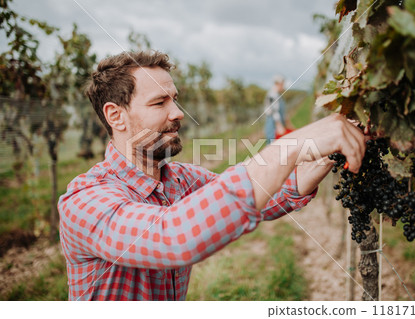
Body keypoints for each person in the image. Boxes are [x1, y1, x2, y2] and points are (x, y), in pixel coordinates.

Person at [58, 51, 367, 301]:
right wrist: (290, 145)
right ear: (116, 116)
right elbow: (173, 239)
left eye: (174, 99)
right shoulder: (85, 202)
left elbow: (258, 194)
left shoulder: (179, 179)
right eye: (159, 102)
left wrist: (320, 158)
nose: (178, 112)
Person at [264, 75, 294, 143]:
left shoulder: (278, 95)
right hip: (273, 125)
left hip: (279, 123)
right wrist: (279, 126)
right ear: (279, 84)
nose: (284, 87)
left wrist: (287, 123)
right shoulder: (272, 95)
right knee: (272, 145)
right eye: (283, 84)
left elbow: (282, 112)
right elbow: (274, 111)